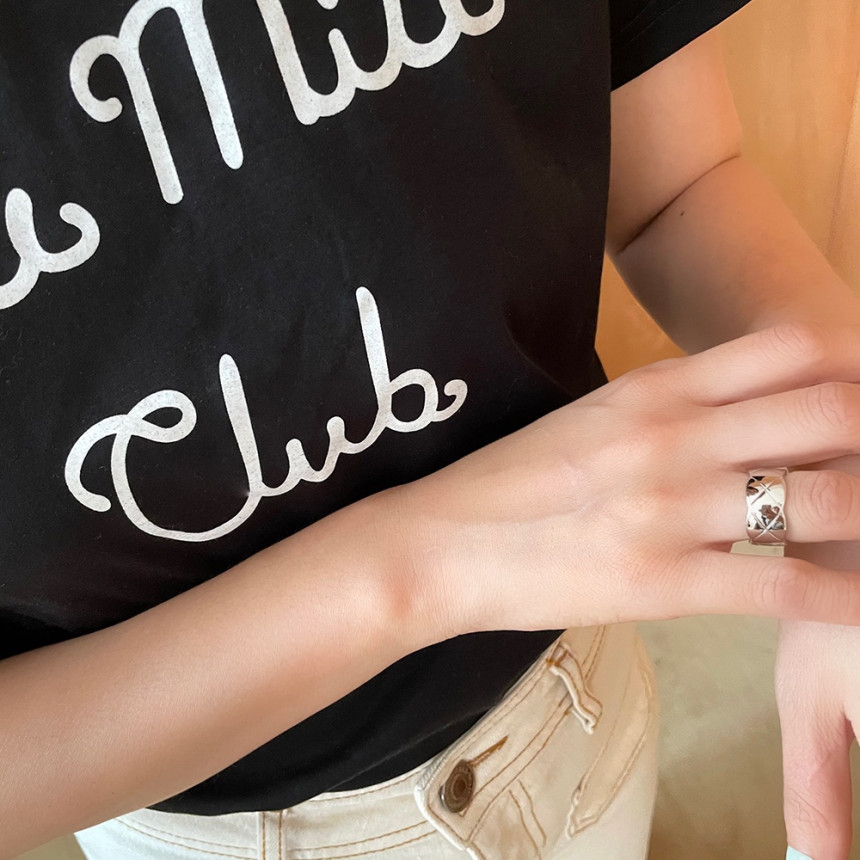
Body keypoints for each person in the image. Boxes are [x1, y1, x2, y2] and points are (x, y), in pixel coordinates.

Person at [1, 1, 858, 858]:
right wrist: (426, 564)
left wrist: (842, 476)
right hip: (205, 826)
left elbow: (677, 188)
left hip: (577, 687)